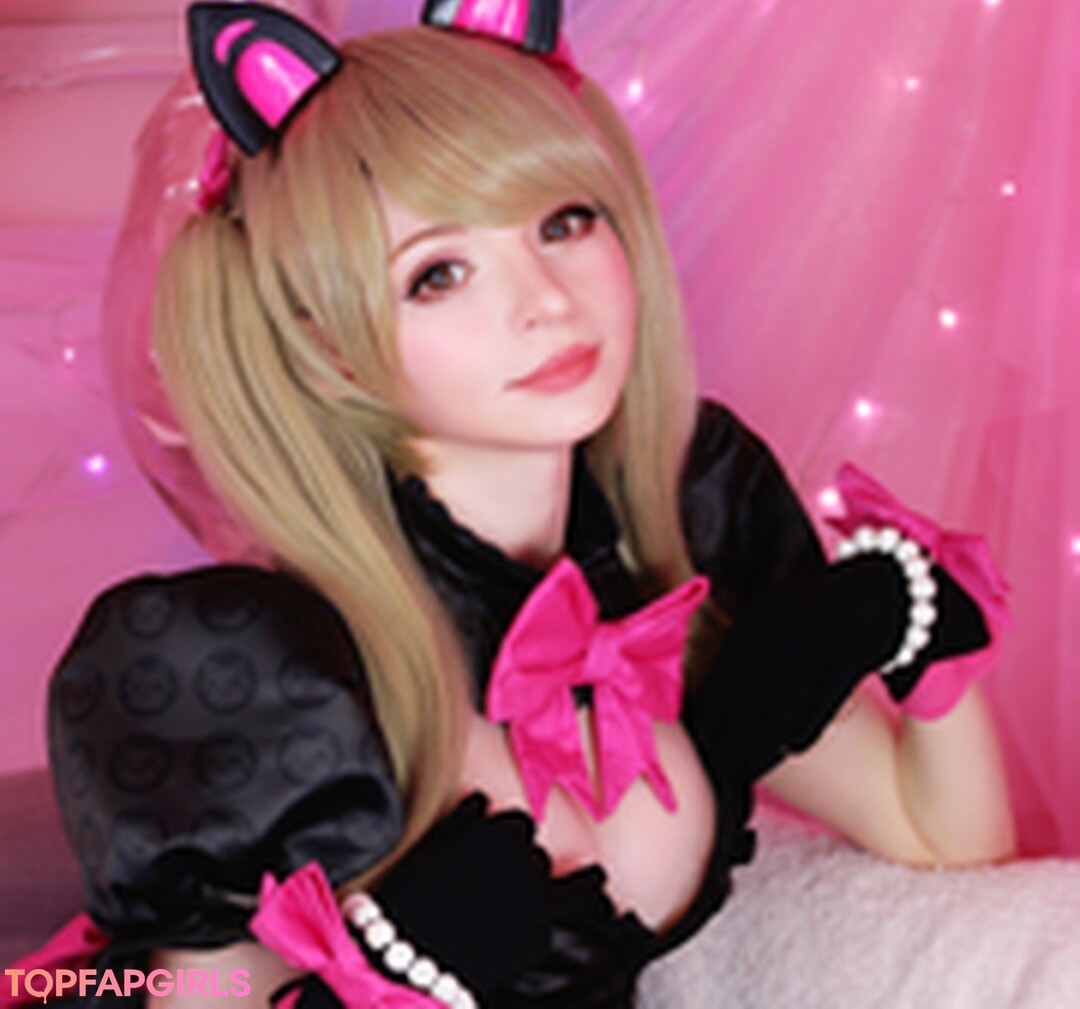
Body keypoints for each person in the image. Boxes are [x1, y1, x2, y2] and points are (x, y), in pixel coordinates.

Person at [14, 2, 1014, 1007]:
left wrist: (921, 627)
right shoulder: (264, 679)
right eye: (438, 274)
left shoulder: (674, 549)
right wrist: (389, 974)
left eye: (563, 221)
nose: (545, 298)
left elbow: (941, 839)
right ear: (328, 347)